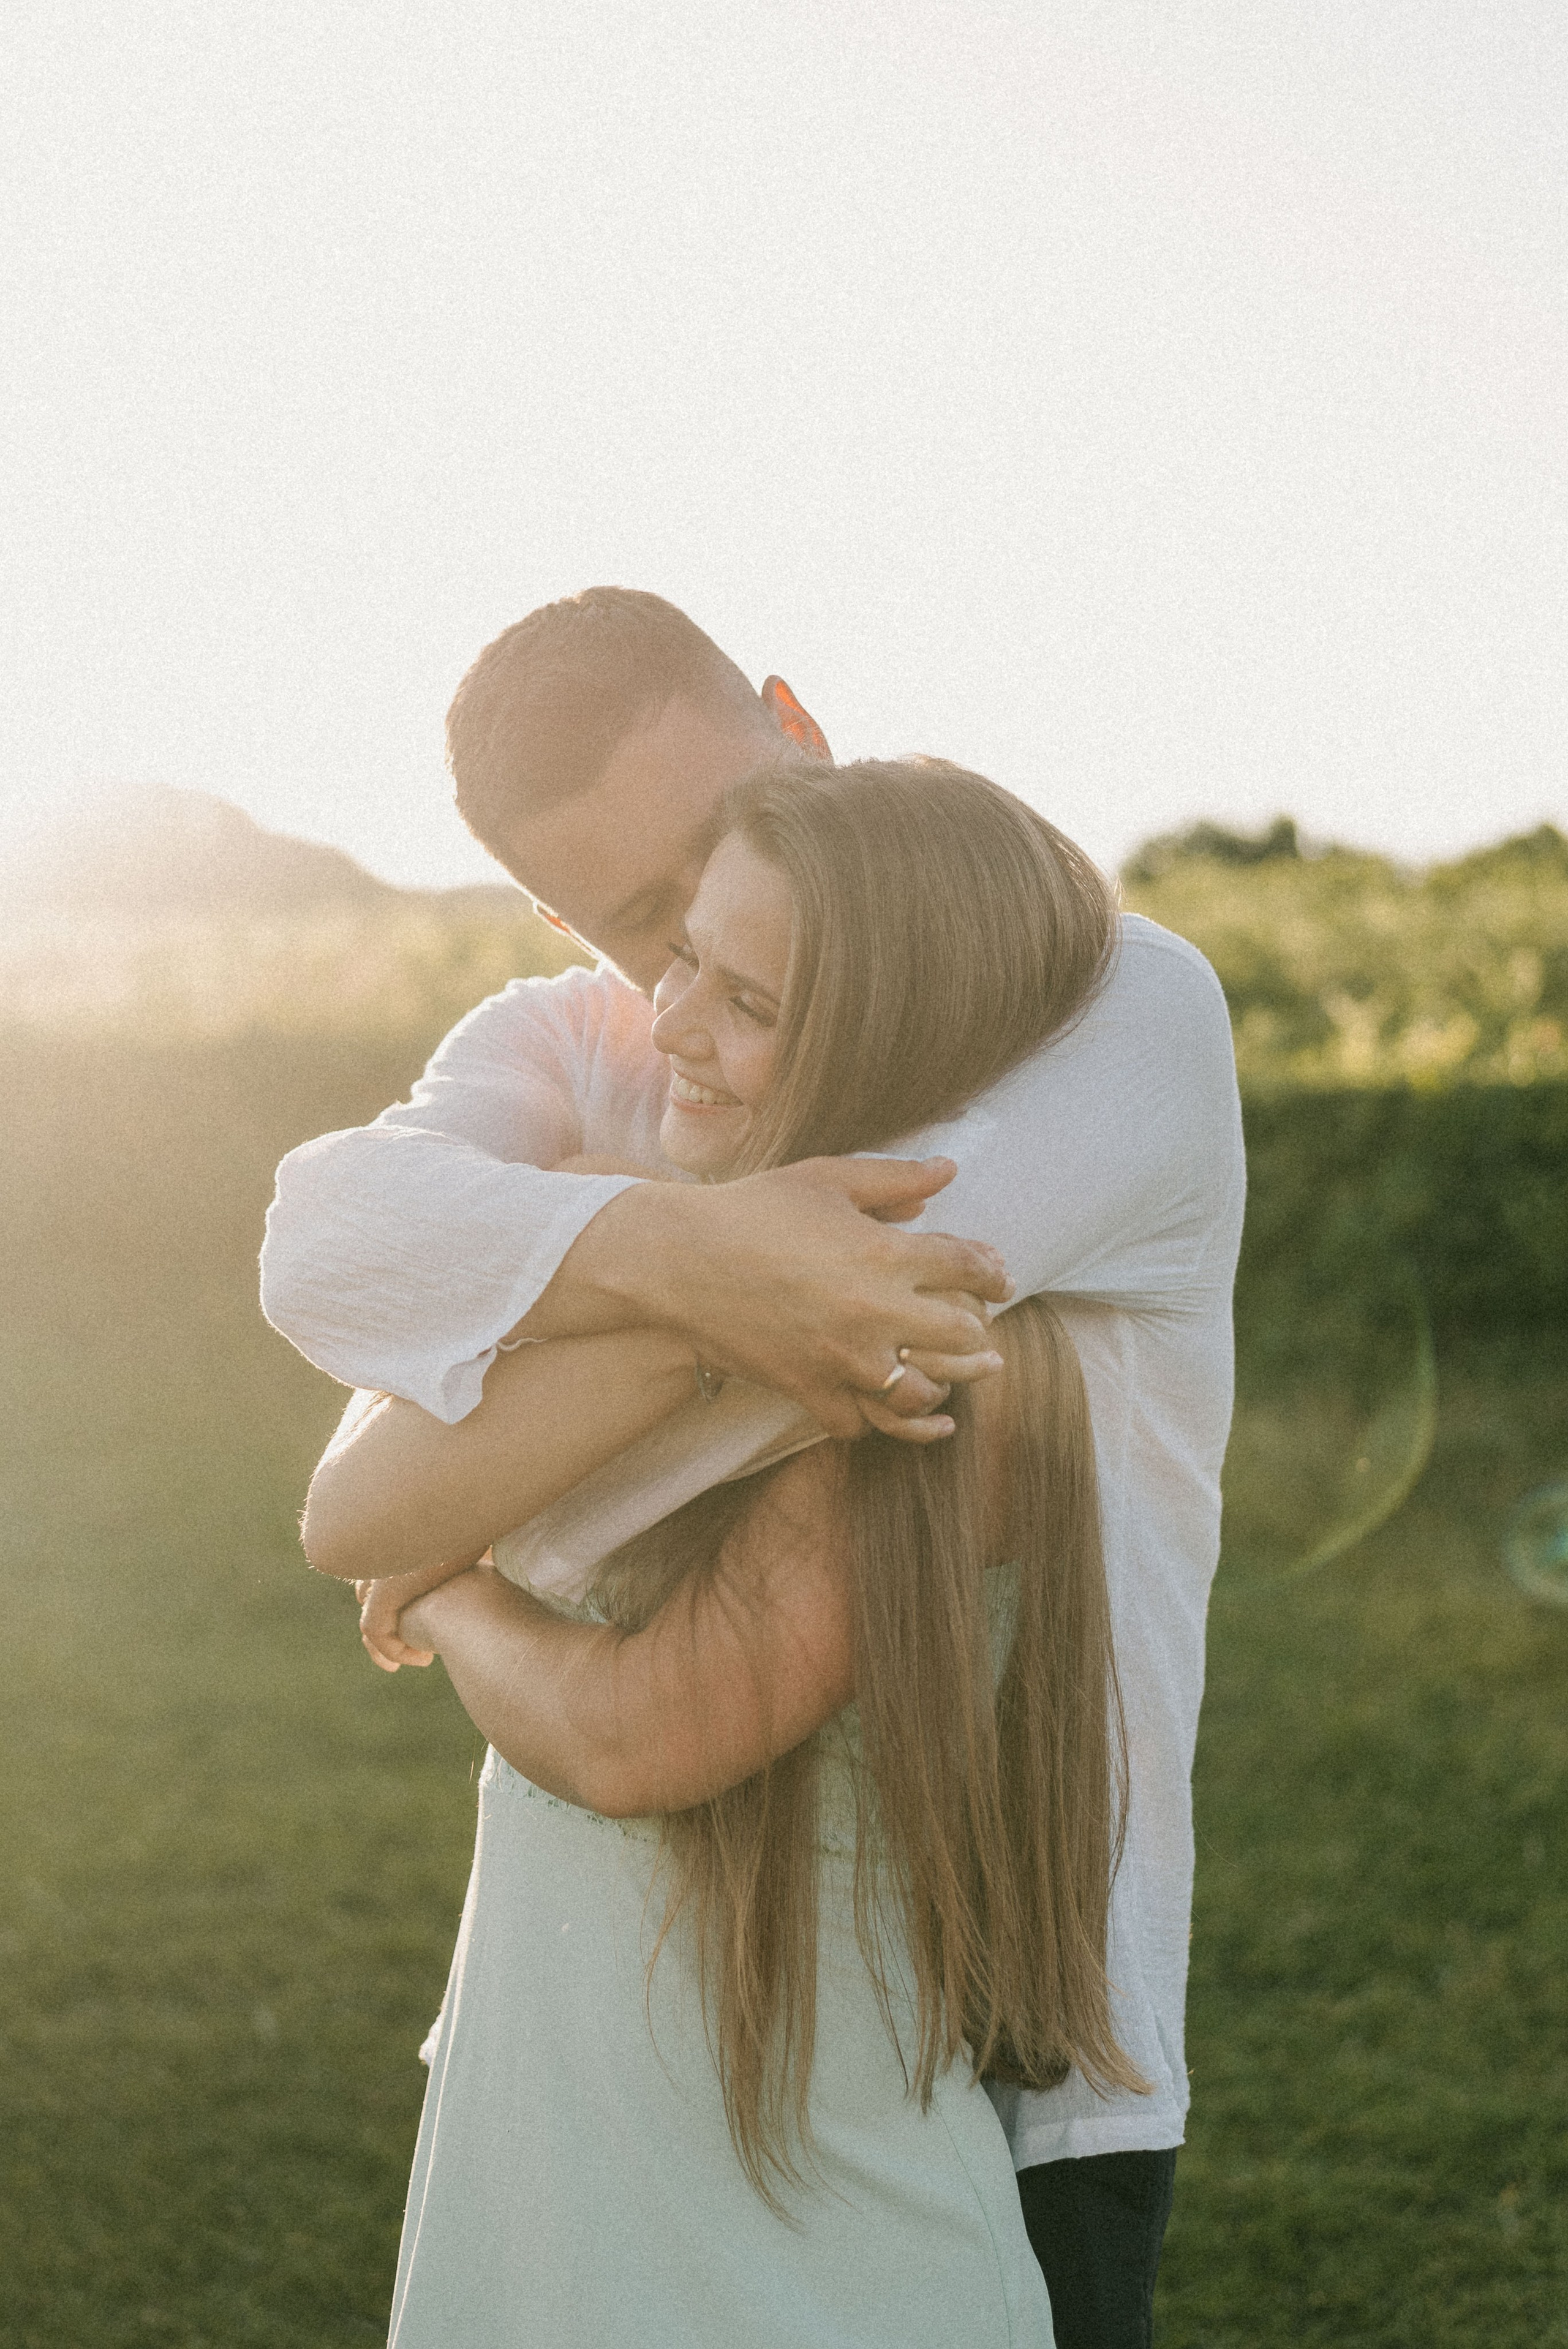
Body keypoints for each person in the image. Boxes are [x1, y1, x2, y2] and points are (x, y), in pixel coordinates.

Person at [260, 589, 1246, 2349]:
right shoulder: (595, 1037)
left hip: (1030, 2007)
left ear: (795, 722)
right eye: (651, 927)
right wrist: (679, 1256)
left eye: (731, 844)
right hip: (623, 2009)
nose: (693, 975)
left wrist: (474, 1468)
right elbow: (322, 1255)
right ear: (568, 919)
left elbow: (850, 1325)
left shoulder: (1115, 998)